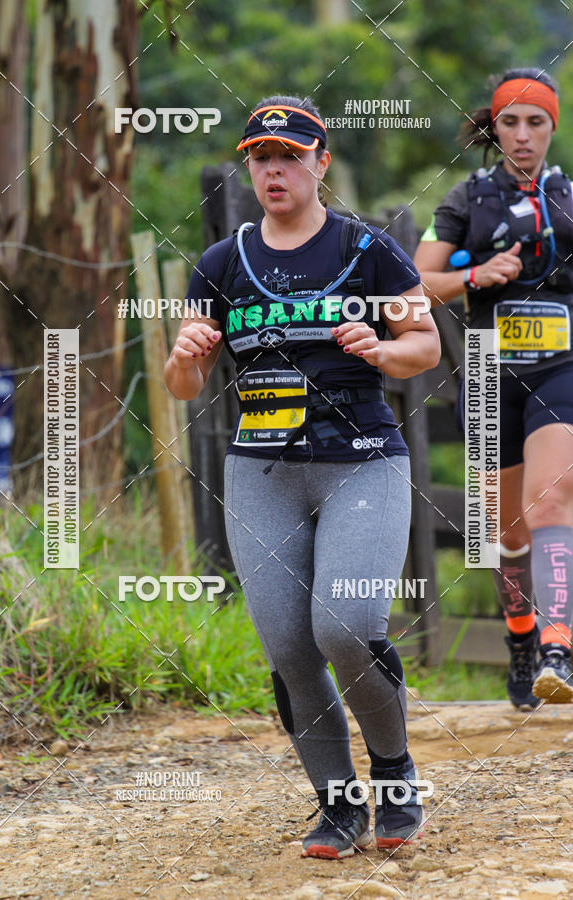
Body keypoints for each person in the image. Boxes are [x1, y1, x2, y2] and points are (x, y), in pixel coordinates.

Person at [165, 95, 440, 858]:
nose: (275, 170)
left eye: (290, 156)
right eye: (261, 157)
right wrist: (185, 356)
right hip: (262, 470)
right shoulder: (221, 263)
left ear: (320, 162)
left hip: (362, 463)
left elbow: (426, 345)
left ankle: (393, 777)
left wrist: (384, 351)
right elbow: (182, 387)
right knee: (288, 645)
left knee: (344, 628)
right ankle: (338, 805)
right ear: (251, 167)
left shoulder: (368, 252)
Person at [414, 68, 573, 708]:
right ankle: (520, 637)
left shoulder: (569, 196)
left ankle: (558, 648)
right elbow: (419, 283)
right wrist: (477, 273)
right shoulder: (465, 199)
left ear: (552, 127)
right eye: (511, 121)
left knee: (550, 506)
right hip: (486, 367)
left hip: (560, 366)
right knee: (504, 529)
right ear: (496, 126)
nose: (523, 134)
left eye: (536, 122)